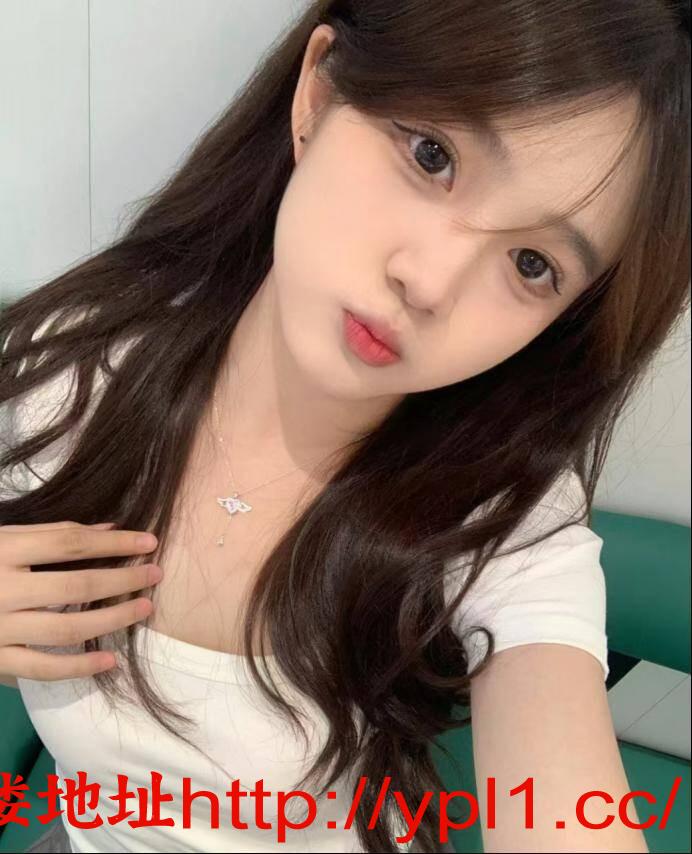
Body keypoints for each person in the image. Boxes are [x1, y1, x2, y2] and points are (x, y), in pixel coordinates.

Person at [0, 1, 689, 851]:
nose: (430, 282)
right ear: (318, 96)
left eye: (531, 264)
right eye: (432, 155)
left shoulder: (500, 521)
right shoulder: (68, 379)